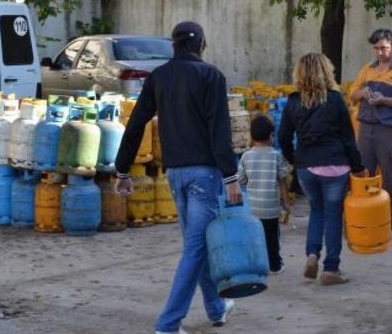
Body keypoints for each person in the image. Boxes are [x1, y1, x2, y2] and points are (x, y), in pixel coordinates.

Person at [114, 21, 242, 334]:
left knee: (196, 245)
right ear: (202, 45)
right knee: (196, 249)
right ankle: (168, 325)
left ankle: (215, 307)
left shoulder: (159, 77)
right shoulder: (211, 76)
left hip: (175, 175)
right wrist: (231, 176)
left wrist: (122, 169)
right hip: (204, 176)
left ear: (173, 45)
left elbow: (136, 124)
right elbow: (219, 131)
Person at [278, 53, 365, 286]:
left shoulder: (293, 101)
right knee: (333, 216)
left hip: (307, 167)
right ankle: (331, 269)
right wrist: (358, 168)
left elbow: (283, 137)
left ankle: (312, 254)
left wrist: (294, 160)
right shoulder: (335, 99)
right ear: (326, 72)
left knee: (316, 211)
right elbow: (348, 138)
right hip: (335, 165)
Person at [349, 28, 392, 228]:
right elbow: (353, 92)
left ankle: (389, 216)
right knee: (363, 172)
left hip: (389, 129)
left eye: (384, 48)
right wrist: (362, 93)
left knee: (388, 174)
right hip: (366, 128)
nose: (380, 52)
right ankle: (364, 212)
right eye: (377, 48)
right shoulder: (367, 69)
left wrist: (384, 100)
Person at [236, 114, 290, 274]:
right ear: (270, 136)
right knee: (272, 238)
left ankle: (256, 265)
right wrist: (286, 203)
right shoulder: (276, 155)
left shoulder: (246, 156)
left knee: (255, 238)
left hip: (253, 208)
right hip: (271, 208)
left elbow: (241, 181)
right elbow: (282, 181)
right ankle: (274, 266)